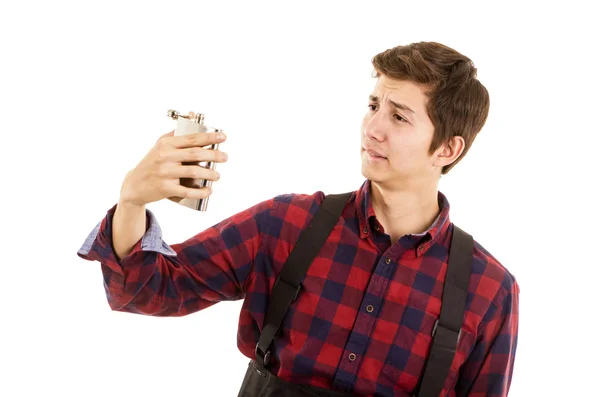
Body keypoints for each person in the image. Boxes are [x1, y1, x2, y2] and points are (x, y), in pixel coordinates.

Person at [77, 41, 519, 397]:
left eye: (399, 116)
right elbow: (147, 290)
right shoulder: (289, 223)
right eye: (372, 105)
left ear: (447, 149)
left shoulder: (489, 291)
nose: (372, 128)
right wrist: (132, 201)